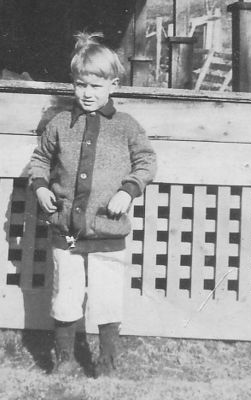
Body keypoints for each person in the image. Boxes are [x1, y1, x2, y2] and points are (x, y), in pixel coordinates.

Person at [29, 32, 157, 377]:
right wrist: (40, 188)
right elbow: (40, 161)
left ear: (113, 85)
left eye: (96, 86)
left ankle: (106, 361)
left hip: (107, 230)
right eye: (81, 85)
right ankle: (65, 359)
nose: (88, 94)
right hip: (66, 231)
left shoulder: (126, 127)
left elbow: (146, 162)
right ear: (73, 83)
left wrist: (128, 191)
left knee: (106, 297)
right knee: (65, 295)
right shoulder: (59, 124)